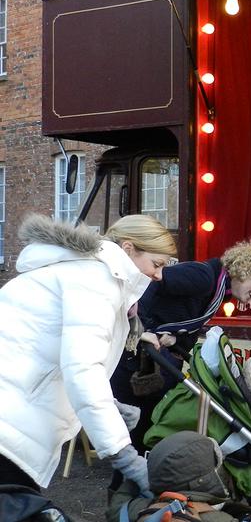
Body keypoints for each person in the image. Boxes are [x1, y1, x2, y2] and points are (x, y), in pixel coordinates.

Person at [0, 213, 176, 503]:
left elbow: (53, 358)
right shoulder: (97, 280)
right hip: (11, 426)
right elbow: (83, 369)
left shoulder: (83, 272)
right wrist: (125, 456)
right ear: (129, 248)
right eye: (156, 264)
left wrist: (111, 405)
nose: (159, 275)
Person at [111, 240, 251, 452]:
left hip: (154, 355)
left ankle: (137, 474)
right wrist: (143, 329)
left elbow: (180, 316)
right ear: (245, 269)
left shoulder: (217, 290)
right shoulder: (204, 277)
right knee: (142, 422)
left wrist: (175, 339)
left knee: (147, 422)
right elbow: (151, 283)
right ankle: (132, 476)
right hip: (136, 352)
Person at [107, 431, 251, 522]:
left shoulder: (131, 508)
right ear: (202, 480)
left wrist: (142, 473)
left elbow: (118, 501)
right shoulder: (215, 517)